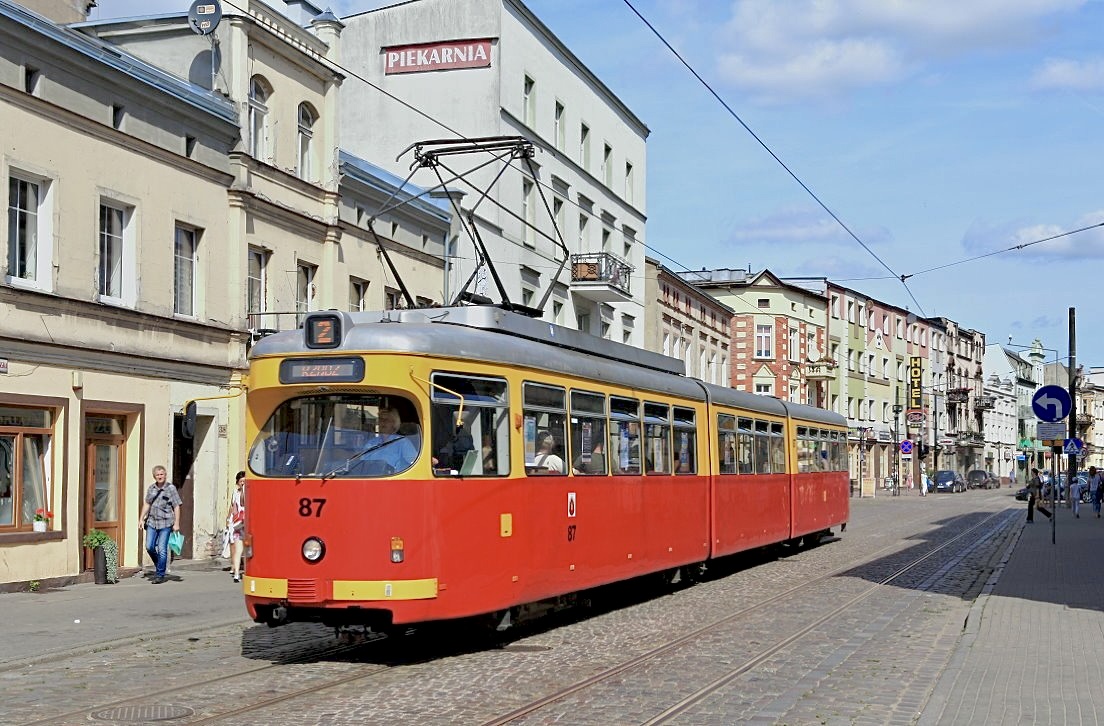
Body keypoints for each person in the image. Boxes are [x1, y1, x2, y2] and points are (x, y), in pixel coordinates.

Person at [138, 465, 182, 584]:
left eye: (162, 474)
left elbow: (177, 506)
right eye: (157, 475)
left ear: (165, 475)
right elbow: (147, 504)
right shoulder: (151, 488)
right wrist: (141, 519)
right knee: (149, 547)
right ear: (154, 476)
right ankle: (160, 565)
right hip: (152, 522)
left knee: (162, 549)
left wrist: (176, 523)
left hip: (166, 523)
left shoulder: (171, 489)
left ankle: (160, 574)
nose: (160, 476)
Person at [357, 406, 418, 474]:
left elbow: (415, 464)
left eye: (387, 419)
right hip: (371, 480)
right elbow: (361, 464)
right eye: (381, 419)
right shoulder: (371, 443)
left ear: (394, 423)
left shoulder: (403, 442)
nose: (383, 422)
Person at [226, 470, 246, 582]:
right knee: (240, 549)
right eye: (241, 481)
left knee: (242, 550)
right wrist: (229, 519)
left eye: (244, 481)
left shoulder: (241, 492)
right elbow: (235, 506)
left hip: (240, 523)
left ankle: (237, 572)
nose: (242, 483)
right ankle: (237, 572)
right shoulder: (239, 493)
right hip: (242, 524)